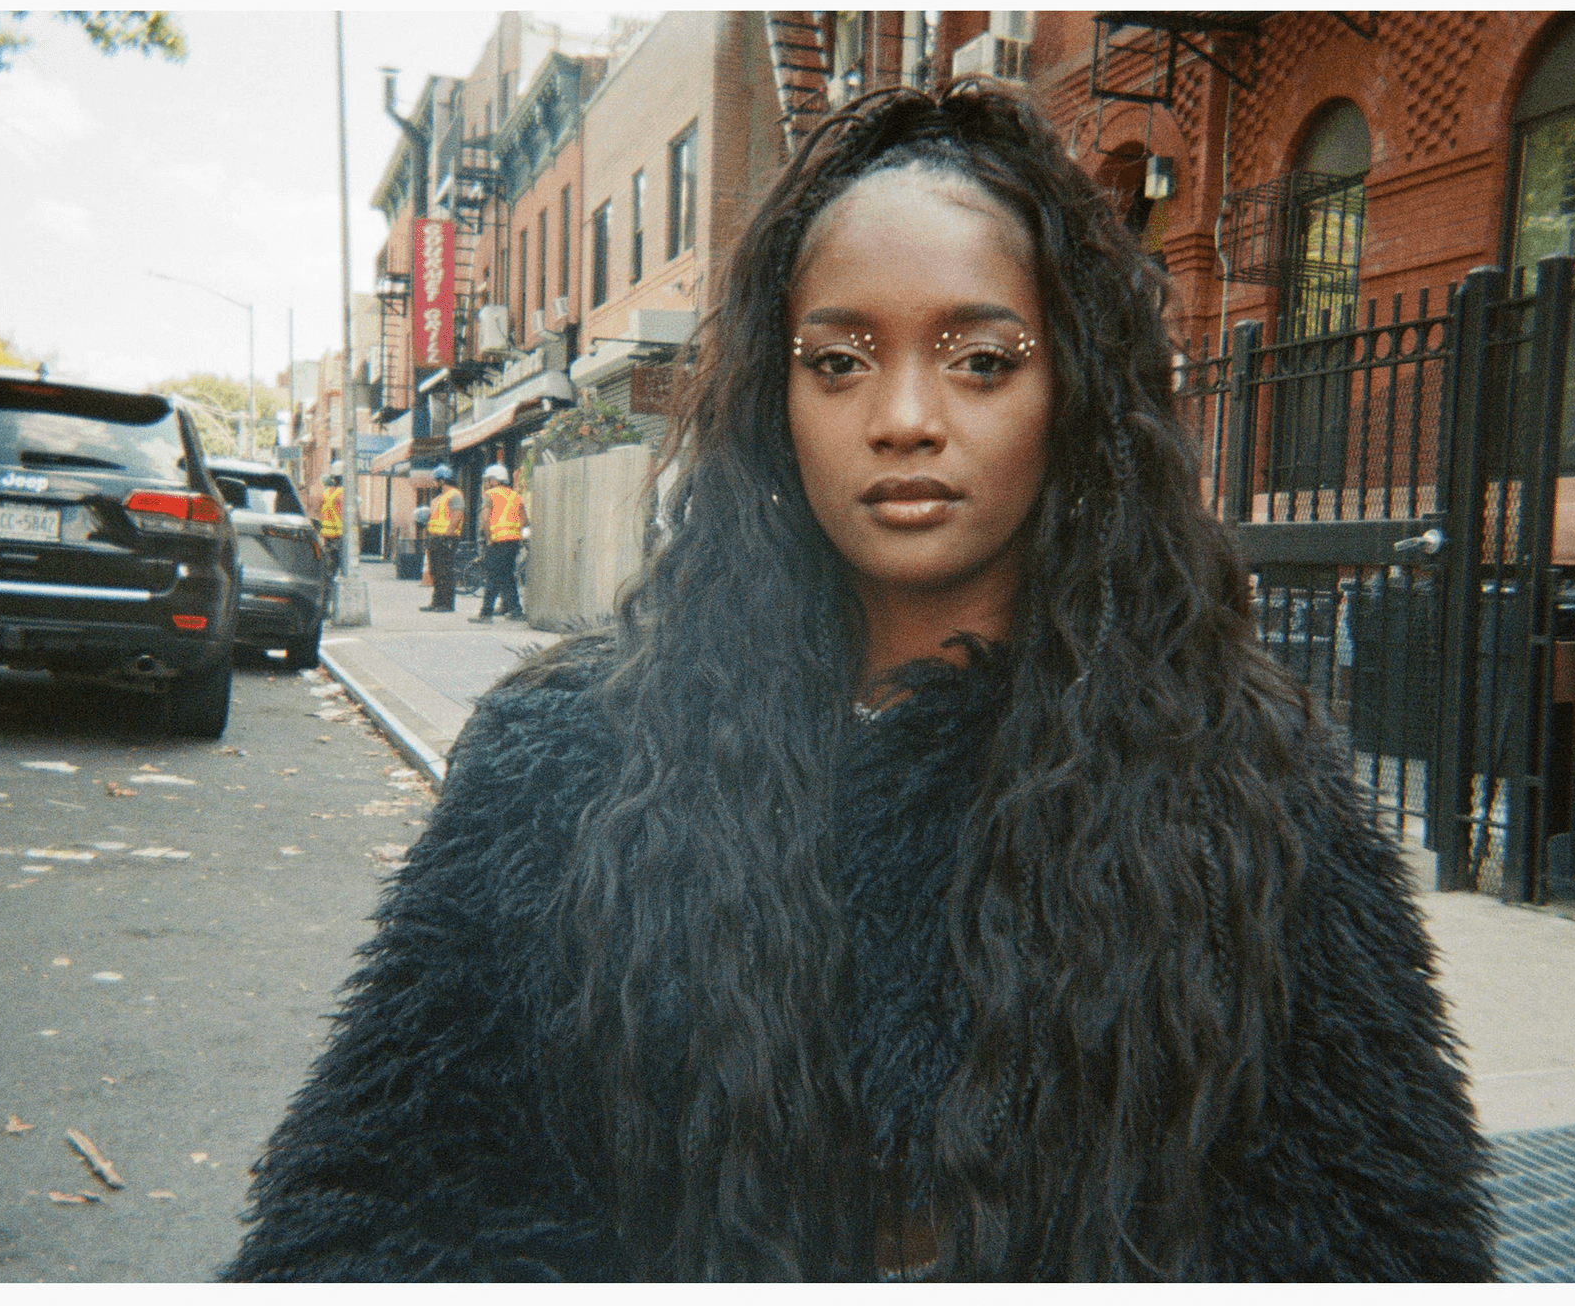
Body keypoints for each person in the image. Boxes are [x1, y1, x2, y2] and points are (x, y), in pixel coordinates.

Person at [228, 86, 1496, 1282]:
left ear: (1075, 393)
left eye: (981, 360)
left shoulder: (1252, 792)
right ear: (777, 401)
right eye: (837, 360)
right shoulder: (561, 769)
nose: (902, 416)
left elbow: (1378, 1236)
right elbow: (380, 1206)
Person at [476, 461, 527, 624]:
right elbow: (524, 517)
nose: (487, 483)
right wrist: (516, 533)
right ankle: (515, 611)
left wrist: (489, 538)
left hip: (497, 542)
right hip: (512, 542)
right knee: (507, 576)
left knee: (492, 576)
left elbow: (485, 517)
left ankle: (485, 613)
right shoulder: (515, 495)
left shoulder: (489, 495)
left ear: (495, 480)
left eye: (489, 479)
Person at [419, 463, 462, 615]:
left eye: (437, 480)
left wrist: (447, 535)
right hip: (435, 537)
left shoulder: (454, 495)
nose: (435, 483)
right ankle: (437, 601)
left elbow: (457, 516)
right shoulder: (438, 498)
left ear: (442, 480)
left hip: (446, 538)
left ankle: (447, 603)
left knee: (445, 571)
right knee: (435, 570)